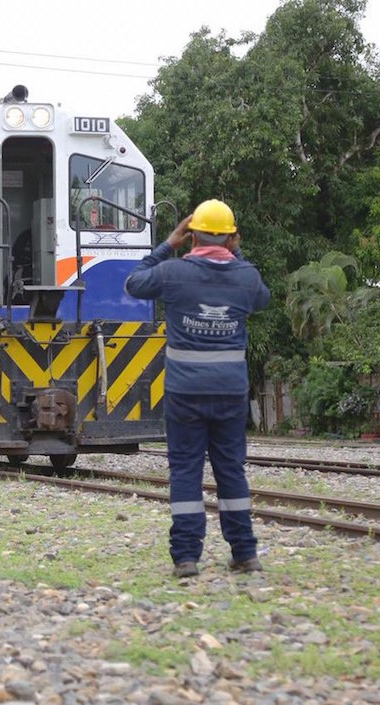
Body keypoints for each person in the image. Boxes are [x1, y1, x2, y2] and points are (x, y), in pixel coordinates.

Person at [125, 199, 271, 578]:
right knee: (231, 472)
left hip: (184, 393)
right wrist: (235, 254)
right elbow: (262, 298)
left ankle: (187, 558)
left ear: (191, 235)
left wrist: (168, 244)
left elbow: (134, 282)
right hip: (230, 392)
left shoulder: (172, 272)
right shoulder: (246, 276)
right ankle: (245, 553)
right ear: (232, 238)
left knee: (186, 471)